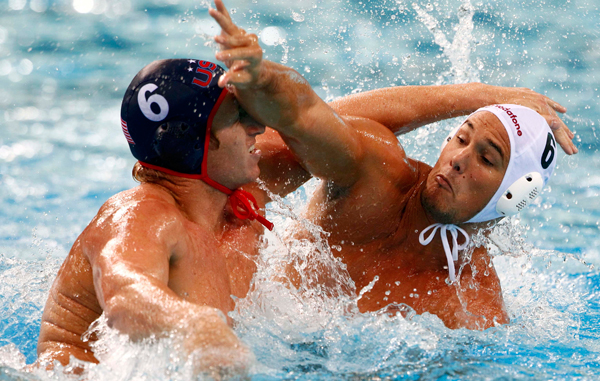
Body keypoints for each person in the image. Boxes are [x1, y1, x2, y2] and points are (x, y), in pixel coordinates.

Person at [35, 0, 575, 373]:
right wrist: (194, 327)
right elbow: (128, 292)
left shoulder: (245, 198)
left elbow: (309, 115)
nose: (257, 129)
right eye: (240, 118)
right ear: (200, 146)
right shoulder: (142, 217)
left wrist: (264, 77)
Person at [208, 0, 576, 331]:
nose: (459, 159)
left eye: (486, 158)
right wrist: (263, 77)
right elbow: (306, 117)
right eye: (461, 139)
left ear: (514, 195)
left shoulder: (473, 303)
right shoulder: (379, 174)